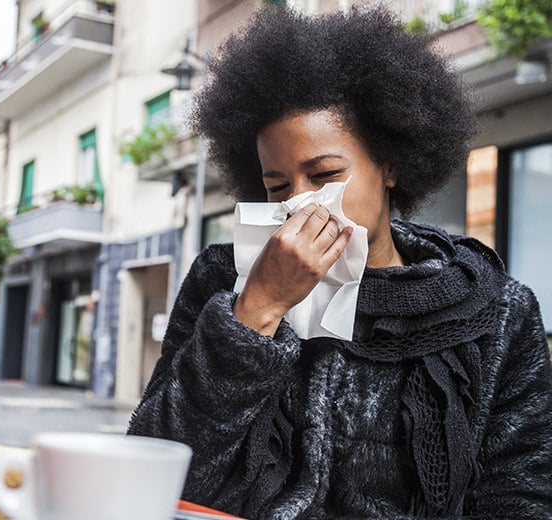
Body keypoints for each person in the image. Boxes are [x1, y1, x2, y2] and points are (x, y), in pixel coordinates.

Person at [127, 5, 552, 519]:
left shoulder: (494, 311)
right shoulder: (223, 280)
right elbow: (154, 465)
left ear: (390, 165)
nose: (300, 203)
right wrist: (256, 311)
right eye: (277, 186)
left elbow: (522, 495)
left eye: (324, 175)